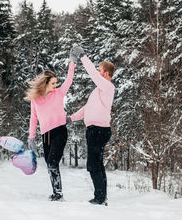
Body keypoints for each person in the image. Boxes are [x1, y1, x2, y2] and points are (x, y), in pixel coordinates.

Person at [68, 45, 115, 206]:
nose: (97, 71)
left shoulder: (108, 87)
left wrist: (82, 56)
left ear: (106, 74)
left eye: (100, 70)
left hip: (99, 130)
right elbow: (86, 108)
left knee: (93, 164)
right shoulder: (98, 91)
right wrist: (71, 118)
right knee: (97, 164)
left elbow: (93, 75)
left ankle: (100, 198)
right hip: (94, 130)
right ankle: (101, 197)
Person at [25, 55, 76, 201]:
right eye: (53, 83)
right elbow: (33, 118)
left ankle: (59, 194)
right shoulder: (36, 99)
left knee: (53, 162)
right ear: (45, 83)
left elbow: (69, 80)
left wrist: (72, 63)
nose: (55, 85)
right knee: (49, 163)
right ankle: (55, 192)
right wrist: (31, 137)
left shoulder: (59, 93)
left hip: (60, 131)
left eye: (56, 83)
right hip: (46, 134)